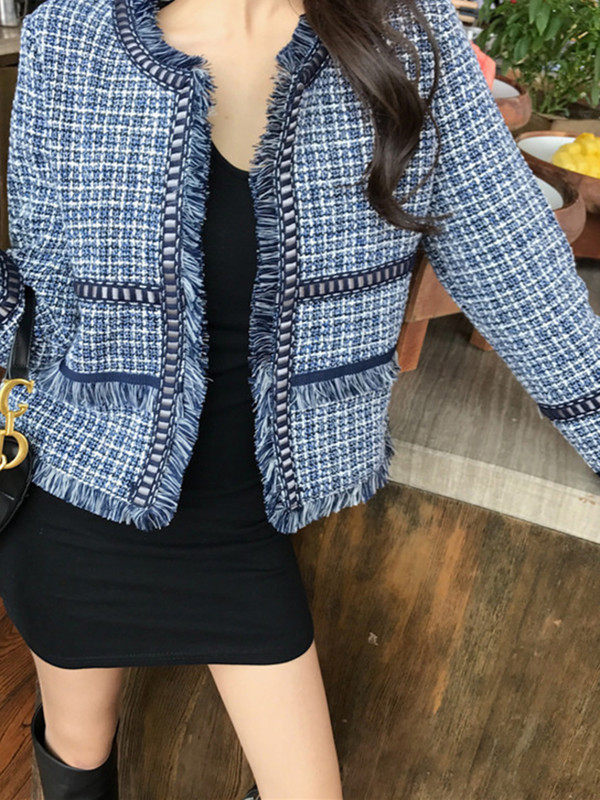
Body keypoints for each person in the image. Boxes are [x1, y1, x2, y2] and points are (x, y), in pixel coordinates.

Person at [1, 0, 599, 798]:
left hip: (245, 524)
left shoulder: (407, 36)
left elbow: (513, 260)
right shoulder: (71, 33)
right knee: (77, 751)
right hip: (81, 496)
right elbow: (42, 279)